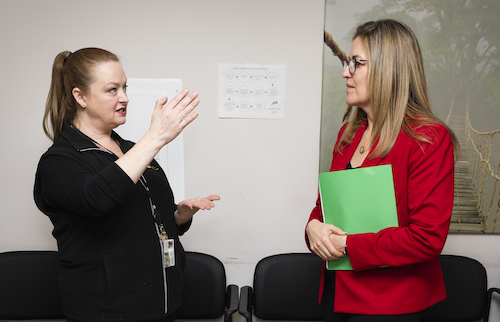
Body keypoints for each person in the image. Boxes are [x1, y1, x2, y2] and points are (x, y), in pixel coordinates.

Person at [34, 48, 220, 322]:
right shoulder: (59, 161)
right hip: (108, 311)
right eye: (112, 89)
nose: (124, 98)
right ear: (80, 96)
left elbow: (147, 217)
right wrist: (155, 137)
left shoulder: (131, 150)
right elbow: (97, 199)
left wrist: (178, 216)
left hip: (162, 303)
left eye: (125, 87)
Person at [306, 19, 460, 321]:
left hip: (390, 305)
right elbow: (324, 208)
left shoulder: (428, 139)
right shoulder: (346, 136)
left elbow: (427, 237)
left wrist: (347, 244)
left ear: (389, 69)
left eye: (356, 63)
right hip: (336, 295)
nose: (345, 72)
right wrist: (312, 228)